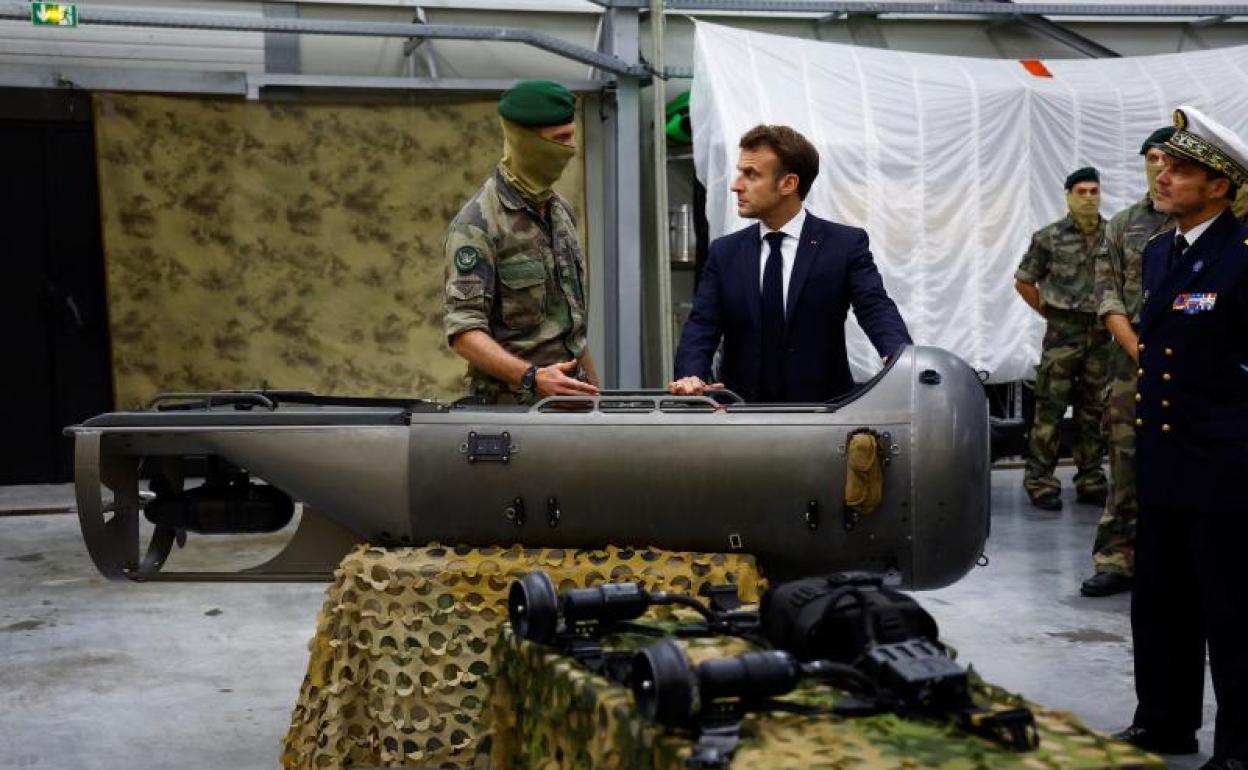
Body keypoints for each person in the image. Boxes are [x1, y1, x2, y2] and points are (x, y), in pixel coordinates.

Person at [1113, 106, 1248, 770]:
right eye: (1162, 164)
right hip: (1166, 459)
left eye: (1181, 168)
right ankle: (1164, 722)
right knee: (1160, 603)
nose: (1162, 176)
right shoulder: (1161, 250)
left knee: (1233, 616)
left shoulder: (1242, 254)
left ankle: (1243, 747)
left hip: (1227, 464)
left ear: (1219, 185)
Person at [669, 124, 910, 402]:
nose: (736, 185)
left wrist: (902, 363)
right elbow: (702, 325)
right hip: (740, 418)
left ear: (788, 184)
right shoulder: (725, 252)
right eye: (740, 172)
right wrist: (690, 376)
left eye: (751, 174)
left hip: (824, 418)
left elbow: (875, 308)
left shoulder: (844, 246)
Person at [442, 81, 599, 404]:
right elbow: (463, 333)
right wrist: (532, 377)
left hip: (569, 408)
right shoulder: (477, 225)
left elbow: (573, 335)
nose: (572, 148)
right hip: (512, 412)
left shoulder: (560, 213)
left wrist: (599, 401)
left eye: (572, 135)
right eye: (560, 140)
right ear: (526, 143)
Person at [1081, 128, 1174, 598]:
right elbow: (1107, 295)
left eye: (1168, 157)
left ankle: (1175, 559)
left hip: (1189, 362)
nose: (1159, 166)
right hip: (1129, 365)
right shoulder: (1123, 225)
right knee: (1124, 459)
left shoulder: (1199, 222)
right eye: (1152, 157)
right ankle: (1117, 557)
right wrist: (1138, 348)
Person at [1014, 167, 1111, 511]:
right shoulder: (1049, 237)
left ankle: (1091, 479)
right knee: (1049, 409)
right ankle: (1040, 481)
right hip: (1061, 335)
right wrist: (1050, 312)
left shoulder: (1114, 235)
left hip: (1101, 335)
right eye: (1081, 191)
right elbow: (1024, 280)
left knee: (1094, 411)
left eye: (1094, 191)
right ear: (1069, 195)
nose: (1088, 198)